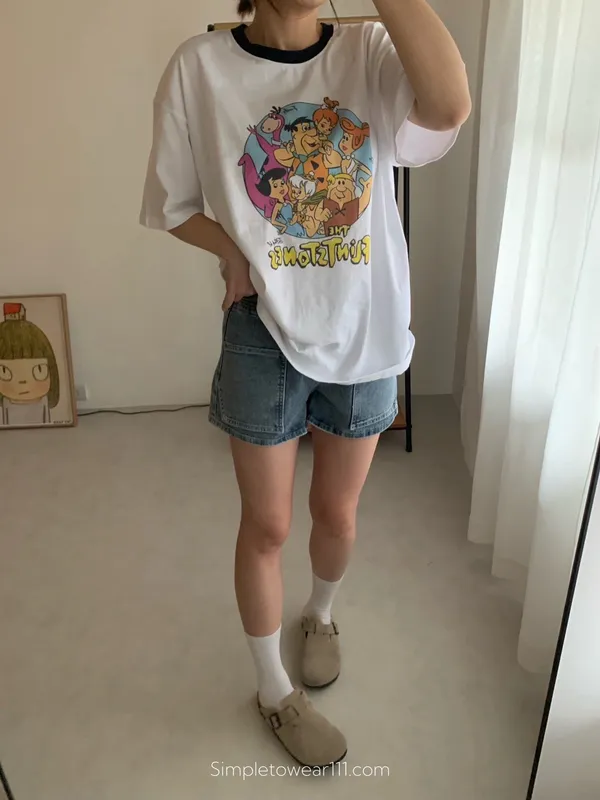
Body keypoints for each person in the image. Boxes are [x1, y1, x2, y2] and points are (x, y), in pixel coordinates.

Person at [140, 0, 471, 768]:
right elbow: (171, 204)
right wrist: (231, 252)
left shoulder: (373, 49)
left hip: (366, 326)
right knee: (267, 526)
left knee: (337, 512)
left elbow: (448, 108)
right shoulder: (199, 67)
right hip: (262, 329)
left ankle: (320, 614)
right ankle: (273, 691)